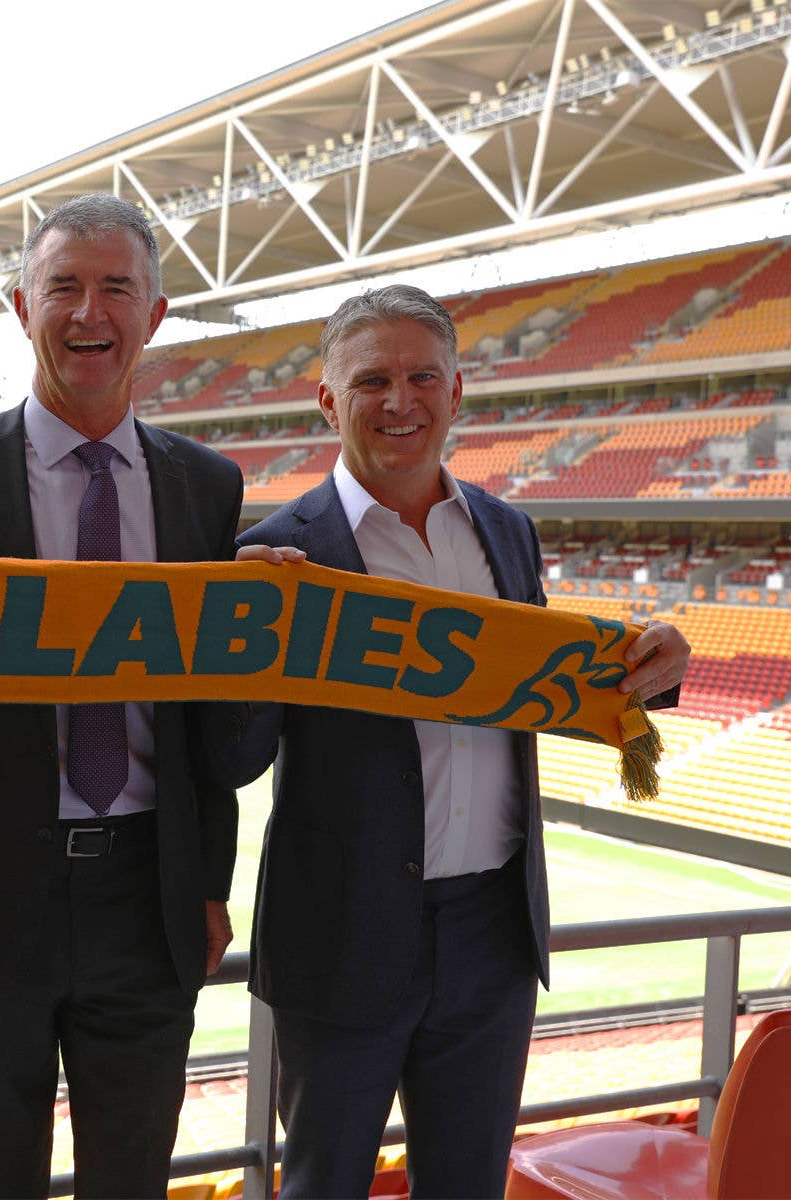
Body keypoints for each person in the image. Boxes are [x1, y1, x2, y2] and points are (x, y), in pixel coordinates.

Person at [208, 284, 691, 1198]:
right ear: (328, 401)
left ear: (457, 391)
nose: (401, 401)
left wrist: (656, 669)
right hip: (340, 938)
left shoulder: (508, 534)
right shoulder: (276, 555)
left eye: (422, 376)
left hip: (492, 937)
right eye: (373, 380)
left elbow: (552, 686)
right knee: (323, 1186)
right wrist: (242, 643)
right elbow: (232, 761)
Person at [0, 193, 243, 1199]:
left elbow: (198, 720)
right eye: (63, 286)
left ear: (153, 317)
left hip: (148, 898)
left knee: (132, 1178)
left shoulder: (207, 487)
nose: (87, 312)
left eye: (116, 289)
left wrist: (206, 882)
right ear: (22, 306)